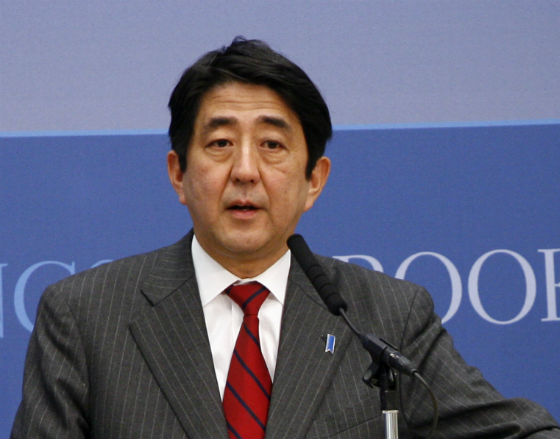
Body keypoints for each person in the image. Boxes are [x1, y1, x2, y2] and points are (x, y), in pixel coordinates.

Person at [11, 37, 560, 439]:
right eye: (221, 143)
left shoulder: (385, 316)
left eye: (272, 145)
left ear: (313, 180)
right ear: (178, 173)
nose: (245, 170)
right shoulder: (85, 317)